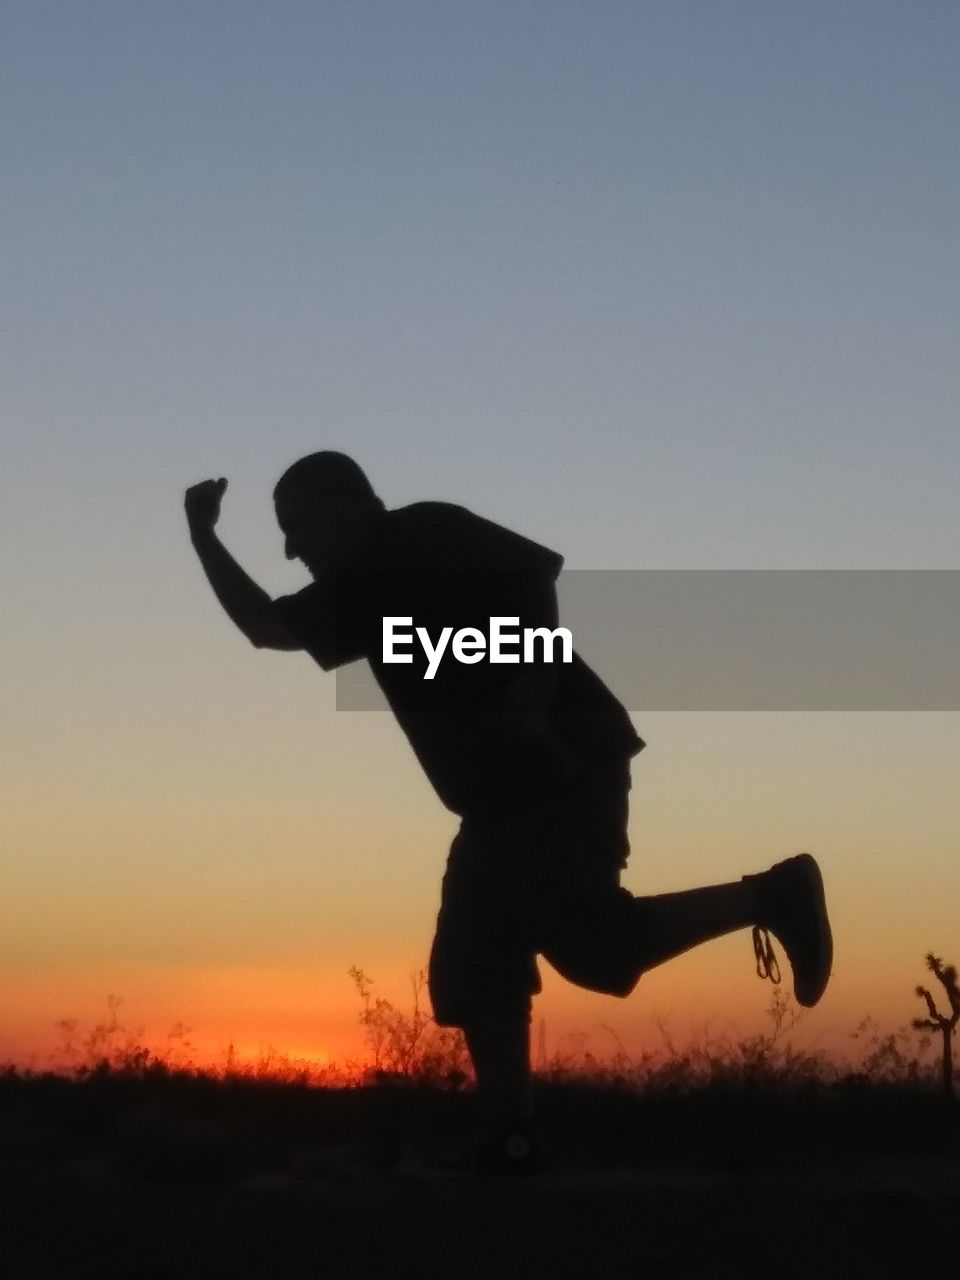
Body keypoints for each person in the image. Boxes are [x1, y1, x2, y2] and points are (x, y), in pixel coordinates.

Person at [184, 451, 832, 1174]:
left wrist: (535, 675)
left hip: (563, 764)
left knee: (594, 946)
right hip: (497, 802)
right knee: (474, 963)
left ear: (339, 508)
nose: (290, 550)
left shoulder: (424, 533)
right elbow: (266, 628)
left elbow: (533, 576)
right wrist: (203, 536)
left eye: (295, 529)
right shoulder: (355, 593)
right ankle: (511, 1141)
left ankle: (772, 896)